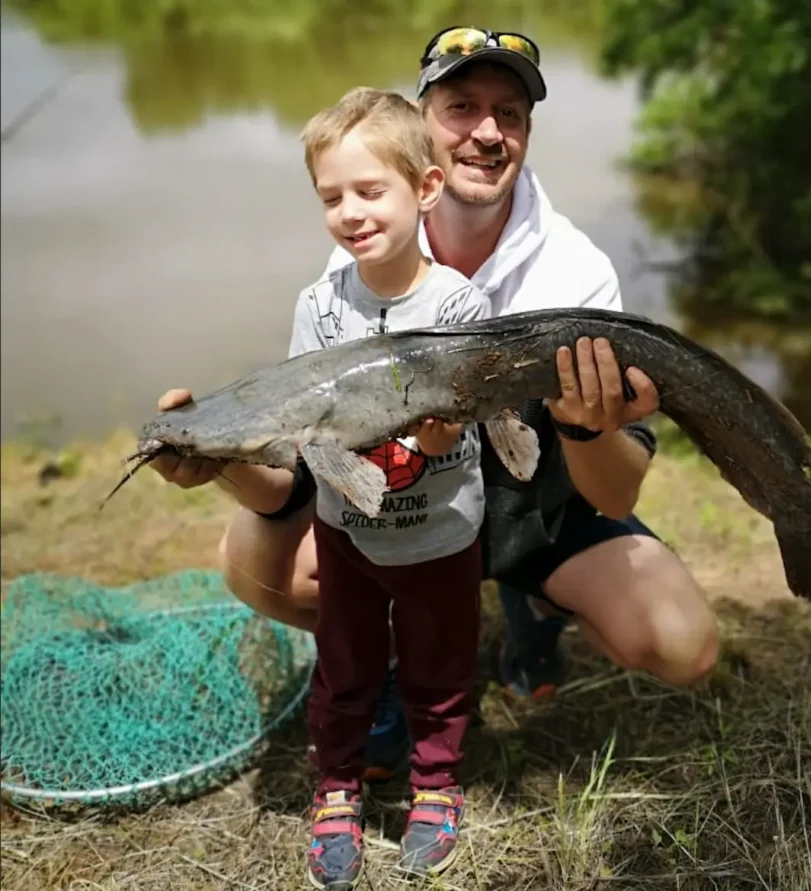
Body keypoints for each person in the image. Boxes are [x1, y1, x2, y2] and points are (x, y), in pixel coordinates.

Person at [154, 21, 719, 817]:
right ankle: (382, 666)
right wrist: (213, 454)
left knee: (684, 642)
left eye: (510, 113)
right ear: (423, 127)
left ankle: (529, 615)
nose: (487, 132)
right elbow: (298, 473)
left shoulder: (574, 269)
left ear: (525, 132)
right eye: (462, 107)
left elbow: (617, 494)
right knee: (252, 555)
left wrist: (587, 424)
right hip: (403, 507)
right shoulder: (356, 255)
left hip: (535, 511)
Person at [159, 87, 495, 887]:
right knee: (342, 671)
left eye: (369, 191)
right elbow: (298, 437)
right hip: (347, 533)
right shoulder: (319, 305)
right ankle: (338, 786)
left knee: (440, 673)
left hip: (443, 532)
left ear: (426, 189)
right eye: (331, 196)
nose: (349, 212)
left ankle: (436, 785)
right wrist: (213, 441)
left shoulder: (459, 304)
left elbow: (466, 426)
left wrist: (444, 429)